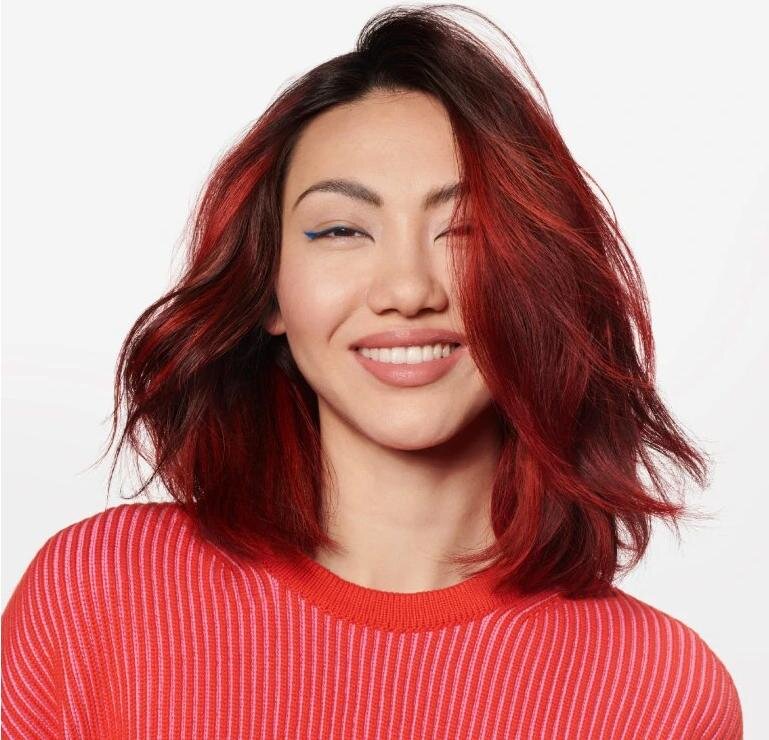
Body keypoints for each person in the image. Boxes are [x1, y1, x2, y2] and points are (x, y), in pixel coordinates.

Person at [2, 5, 743, 738]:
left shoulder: (660, 693)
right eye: (341, 230)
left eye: (466, 230)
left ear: (538, 277)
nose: (407, 290)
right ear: (270, 289)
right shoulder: (97, 592)